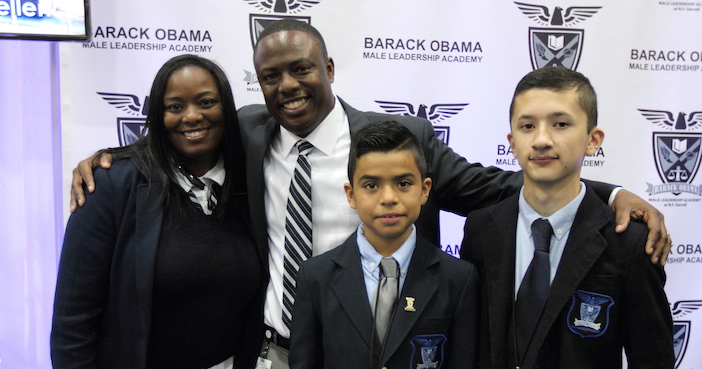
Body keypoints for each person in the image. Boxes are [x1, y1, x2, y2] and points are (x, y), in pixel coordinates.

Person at [68, 20, 671, 369]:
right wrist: (113, 157)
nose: (288, 86)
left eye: (301, 68)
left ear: (329, 66)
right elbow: (182, 133)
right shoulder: (248, 131)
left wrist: (608, 189)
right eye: (271, 76)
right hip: (277, 353)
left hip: (387, 349)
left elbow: (503, 183)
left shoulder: (397, 141)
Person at [51, 54, 265, 369]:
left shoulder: (249, 181)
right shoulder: (110, 185)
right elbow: (74, 320)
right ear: (157, 114)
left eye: (206, 102)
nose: (192, 116)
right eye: (175, 106)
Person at [460, 67, 674, 369]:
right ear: (512, 141)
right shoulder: (481, 228)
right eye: (527, 126)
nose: (542, 140)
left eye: (560, 124)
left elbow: (653, 358)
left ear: (592, 140)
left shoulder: (629, 242)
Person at [289, 120, 478, 369]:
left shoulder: (458, 279)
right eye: (371, 186)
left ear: (424, 189)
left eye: (403, 184)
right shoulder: (315, 276)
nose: (388, 198)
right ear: (351, 195)